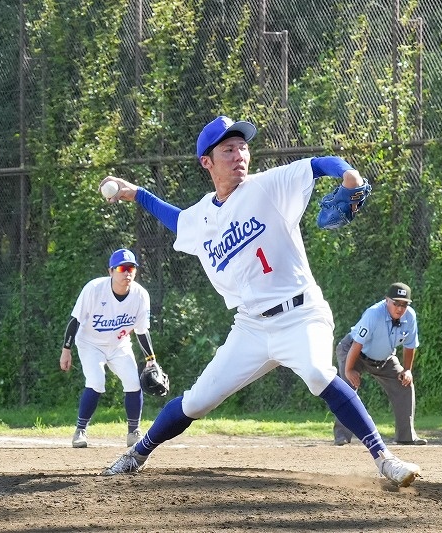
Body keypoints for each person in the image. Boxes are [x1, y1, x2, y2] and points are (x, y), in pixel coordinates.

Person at [98, 116, 421, 487]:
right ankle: (137, 454)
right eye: (228, 149)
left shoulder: (267, 186)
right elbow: (178, 220)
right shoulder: (201, 215)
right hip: (250, 326)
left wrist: (350, 175)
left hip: (301, 314)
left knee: (318, 373)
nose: (239, 155)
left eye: (243, 147)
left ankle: (385, 459)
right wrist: (137, 194)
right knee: (196, 402)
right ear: (207, 161)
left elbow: (319, 164)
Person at [59, 248, 158, 448]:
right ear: (111, 271)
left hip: (119, 345)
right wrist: (66, 349)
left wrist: (151, 360)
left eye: (131, 268)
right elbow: (75, 320)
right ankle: (80, 430)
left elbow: (141, 331)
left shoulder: (140, 295)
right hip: (90, 343)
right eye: (121, 268)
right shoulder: (94, 289)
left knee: (133, 382)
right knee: (96, 381)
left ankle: (133, 432)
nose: (127, 272)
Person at [333, 282, 428, 447]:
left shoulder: (410, 317)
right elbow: (357, 344)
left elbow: (410, 346)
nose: (400, 308)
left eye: (404, 304)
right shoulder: (374, 314)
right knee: (347, 389)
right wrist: (349, 370)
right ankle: (341, 436)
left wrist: (407, 370)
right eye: (396, 303)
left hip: (384, 358)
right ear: (387, 300)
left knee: (405, 384)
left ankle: (406, 436)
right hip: (354, 353)